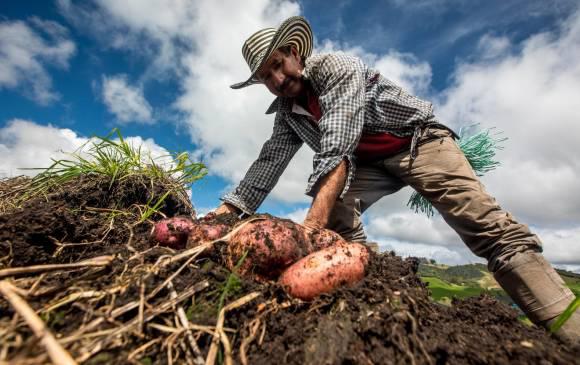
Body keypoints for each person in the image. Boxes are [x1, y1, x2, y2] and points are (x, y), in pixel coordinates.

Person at [213, 16, 579, 344]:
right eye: (265, 77)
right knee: (338, 216)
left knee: (482, 224)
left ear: (294, 52)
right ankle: (365, 291)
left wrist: (310, 226)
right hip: (368, 162)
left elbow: (337, 146)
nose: (277, 80)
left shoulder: (335, 68)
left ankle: (568, 328)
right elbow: (268, 162)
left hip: (417, 142)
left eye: (278, 65)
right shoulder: (288, 113)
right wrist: (224, 213)